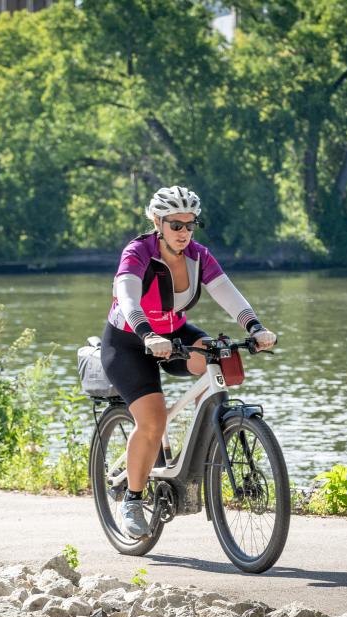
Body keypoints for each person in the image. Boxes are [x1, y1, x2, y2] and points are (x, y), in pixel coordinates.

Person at [100, 185, 277, 539]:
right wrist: (148, 334)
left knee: (218, 358)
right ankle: (133, 499)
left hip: (175, 333)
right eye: (175, 225)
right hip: (130, 341)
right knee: (153, 419)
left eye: (190, 224)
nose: (183, 232)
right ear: (157, 222)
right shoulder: (138, 252)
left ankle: (202, 452)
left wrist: (254, 326)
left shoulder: (199, 256)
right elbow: (128, 297)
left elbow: (227, 292)